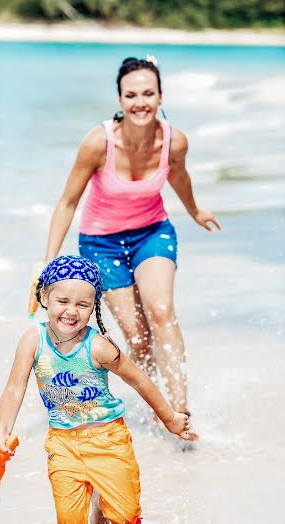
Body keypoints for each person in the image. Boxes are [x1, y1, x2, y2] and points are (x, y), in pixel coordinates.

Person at [42, 56, 221, 437]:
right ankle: (156, 403)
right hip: (100, 244)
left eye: (148, 93)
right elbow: (67, 202)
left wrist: (195, 211)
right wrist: (48, 263)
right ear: (120, 100)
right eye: (131, 95)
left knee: (160, 310)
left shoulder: (174, 140)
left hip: (152, 232)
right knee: (138, 337)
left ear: (160, 96)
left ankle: (181, 411)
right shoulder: (98, 142)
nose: (140, 102)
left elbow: (180, 178)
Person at [0, 255, 191, 524]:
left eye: (83, 304)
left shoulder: (99, 347)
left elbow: (140, 380)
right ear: (44, 298)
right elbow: (15, 385)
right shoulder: (33, 341)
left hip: (108, 440)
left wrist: (170, 417)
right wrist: (2, 429)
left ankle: (102, 500)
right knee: (70, 521)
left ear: (93, 308)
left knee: (126, 515)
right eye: (63, 300)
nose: (71, 310)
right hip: (62, 443)